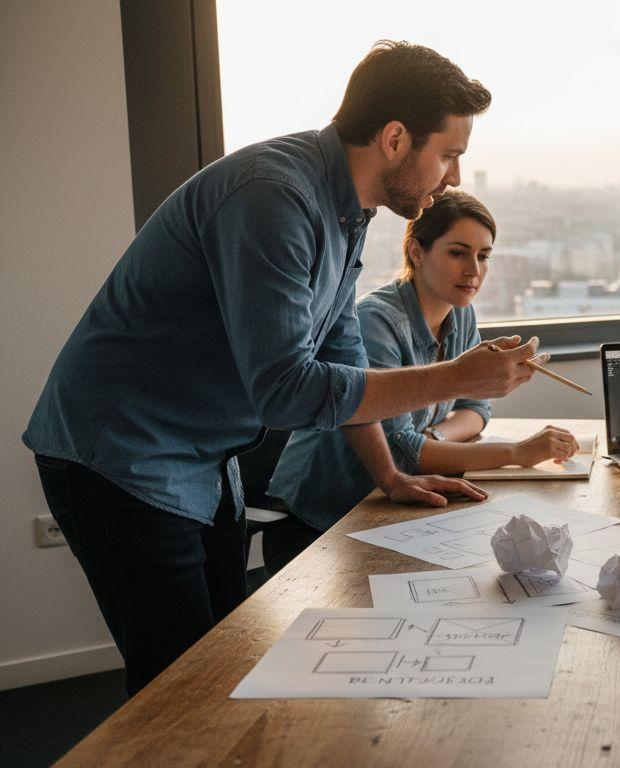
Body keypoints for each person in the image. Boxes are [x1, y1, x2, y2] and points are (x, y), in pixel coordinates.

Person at [22, 41, 542, 695]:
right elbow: (285, 391)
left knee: (222, 668)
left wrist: (387, 472)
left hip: (203, 459)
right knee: (176, 691)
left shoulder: (346, 208)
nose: (454, 176)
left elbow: (341, 350)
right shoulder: (274, 197)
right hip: (121, 455)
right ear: (394, 138)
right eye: (448, 153)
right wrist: (456, 379)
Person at [263, 191, 580, 572]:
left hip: (389, 508)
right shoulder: (375, 321)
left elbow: (475, 407)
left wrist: (434, 439)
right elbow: (401, 452)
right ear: (416, 252)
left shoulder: (459, 313)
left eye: (483, 256)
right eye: (458, 253)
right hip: (319, 520)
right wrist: (517, 454)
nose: (473, 271)